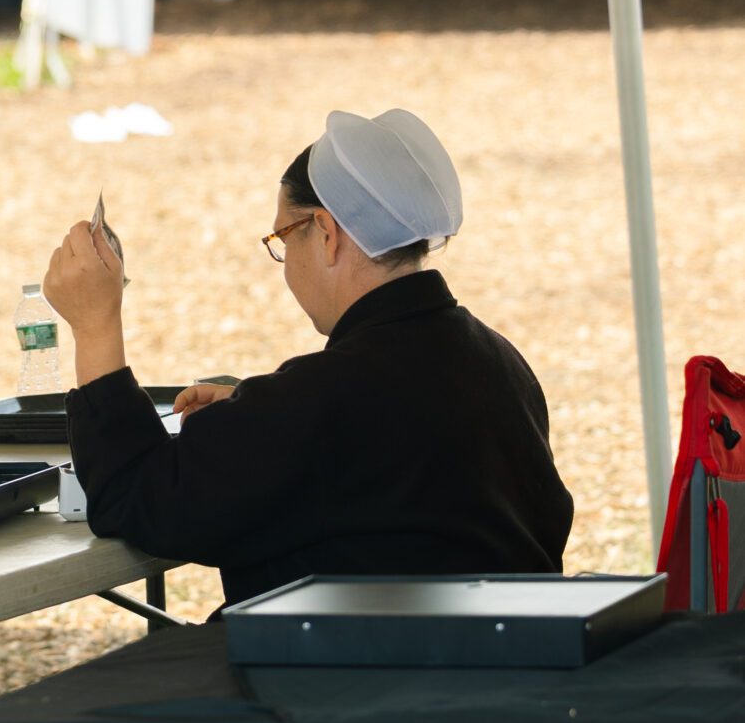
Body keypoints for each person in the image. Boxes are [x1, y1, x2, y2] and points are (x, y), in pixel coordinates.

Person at [44, 108, 573, 604]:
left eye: (283, 236)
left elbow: (138, 501)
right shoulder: (498, 362)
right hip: (512, 665)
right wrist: (252, 418)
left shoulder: (321, 398)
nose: (283, 260)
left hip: (355, 682)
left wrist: (95, 328)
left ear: (326, 233)